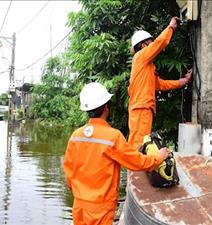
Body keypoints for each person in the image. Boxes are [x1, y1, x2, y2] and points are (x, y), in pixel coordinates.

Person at [63, 82, 170, 225]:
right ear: (106, 108)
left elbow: (69, 173)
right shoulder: (112, 137)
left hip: (79, 205)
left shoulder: (76, 136)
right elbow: (136, 161)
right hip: (101, 208)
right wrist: (158, 158)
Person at [128, 16, 193, 149]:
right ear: (143, 45)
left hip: (143, 108)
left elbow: (160, 85)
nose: (152, 45)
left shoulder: (147, 66)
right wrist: (171, 28)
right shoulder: (140, 56)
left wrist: (182, 82)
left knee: (142, 144)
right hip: (141, 107)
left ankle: (139, 168)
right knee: (138, 145)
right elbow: (159, 43)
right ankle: (136, 169)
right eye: (150, 43)